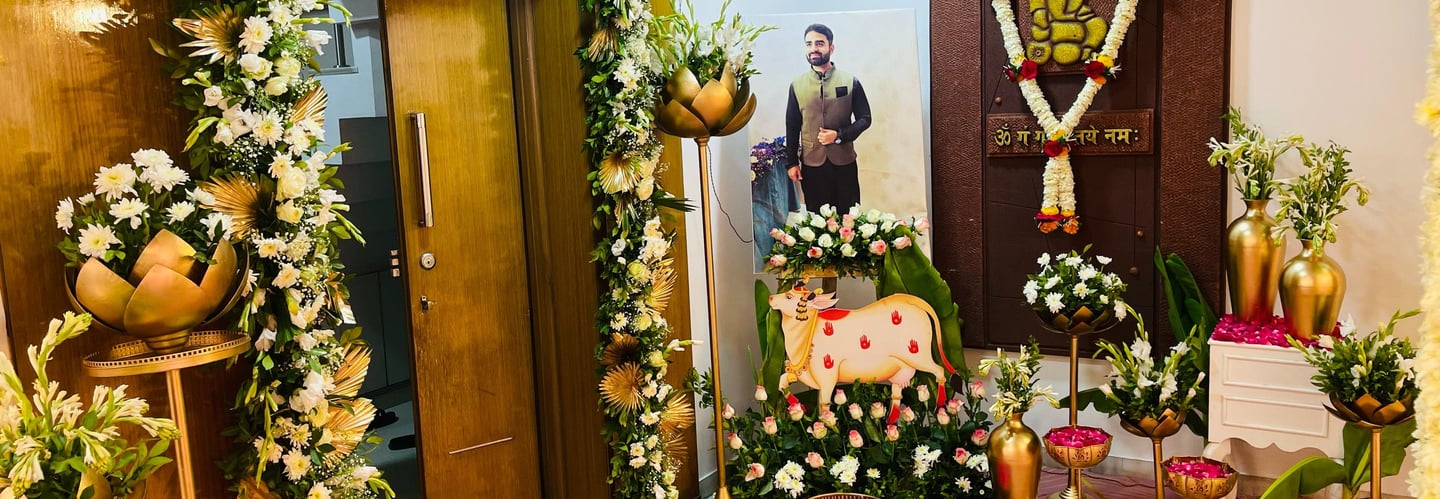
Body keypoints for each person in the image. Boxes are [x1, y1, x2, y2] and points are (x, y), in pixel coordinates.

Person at [785, 23, 872, 214]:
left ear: (831, 48)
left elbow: (865, 118)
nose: (813, 48)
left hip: (844, 163)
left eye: (819, 43)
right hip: (812, 164)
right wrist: (791, 163)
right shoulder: (797, 85)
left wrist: (839, 135)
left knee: (848, 218)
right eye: (809, 44)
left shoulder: (850, 81)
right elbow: (792, 126)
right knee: (816, 219)